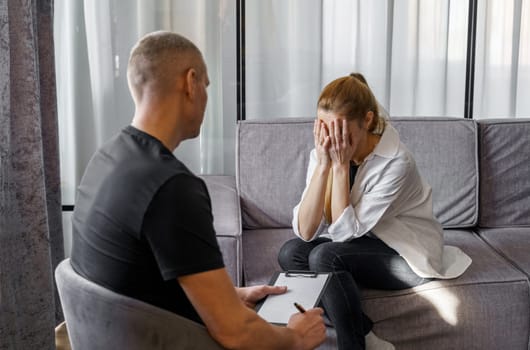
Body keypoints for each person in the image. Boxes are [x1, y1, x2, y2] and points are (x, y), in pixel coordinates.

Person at [70, 31, 326, 350]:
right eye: (206, 86)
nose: (205, 97)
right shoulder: (172, 187)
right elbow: (236, 334)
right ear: (190, 82)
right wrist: (296, 338)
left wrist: (227, 296)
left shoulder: (107, 159)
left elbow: (139, 281)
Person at [278, 73, 472, 350]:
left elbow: (344, 234)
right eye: (324, 128)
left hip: (405, 254)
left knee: (325, 257)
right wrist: (323, 166)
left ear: (367, 121)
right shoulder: (323, 152)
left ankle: (353, 345)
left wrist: (341, 167)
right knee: (291, 253)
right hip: (362, 244)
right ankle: (366, 335)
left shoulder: (396, 161)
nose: (332, 140)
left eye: (340, 131)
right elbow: (306, 231)